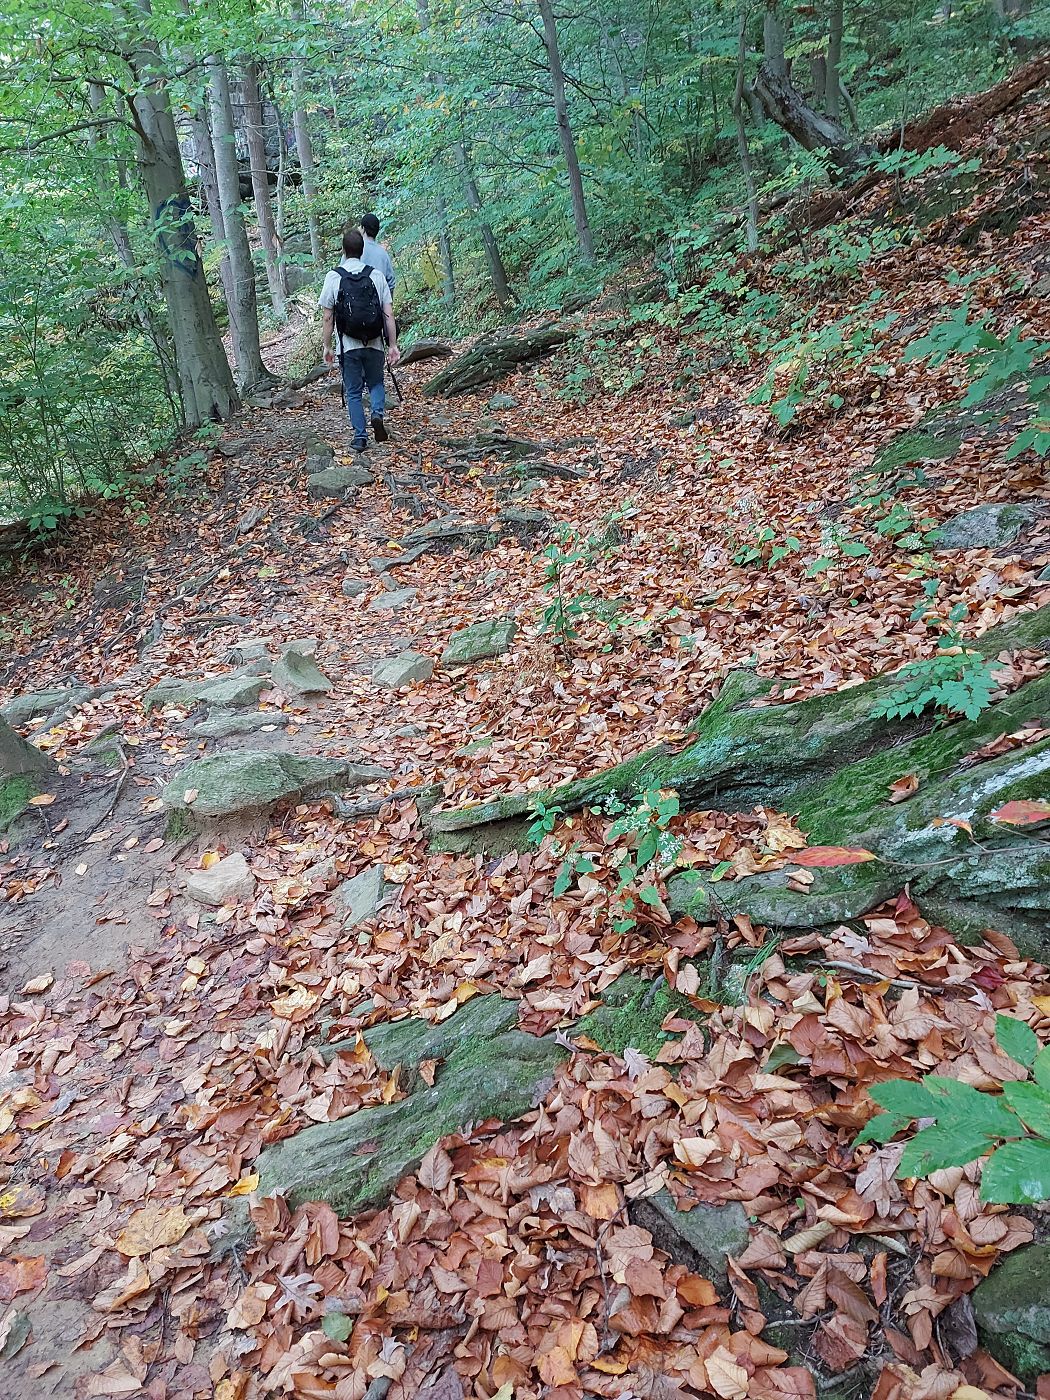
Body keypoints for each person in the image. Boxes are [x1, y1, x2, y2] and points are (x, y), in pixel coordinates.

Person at [319, 227, 400, 452]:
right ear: (362, 250)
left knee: (353, 391)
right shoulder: (376, 275)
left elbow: (327, 317)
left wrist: (327, 346)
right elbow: (388, 314)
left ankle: (360, 437)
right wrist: (393, 345)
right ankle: (377, 414)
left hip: (348, 345)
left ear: (343, 250)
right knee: (376, 383)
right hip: (374, 342)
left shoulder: (334, 277)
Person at [360, 213, 396, 294]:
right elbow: (391, 283)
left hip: (354, 299)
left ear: (363, 229)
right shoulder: (383, 254)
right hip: (377, 299)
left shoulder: (352, 249)